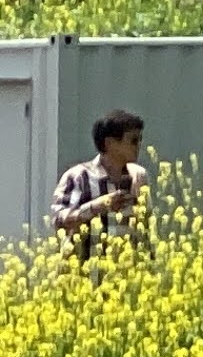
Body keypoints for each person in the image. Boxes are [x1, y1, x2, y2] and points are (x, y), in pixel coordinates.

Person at [48, 110, 149, 258]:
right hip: (85, 275)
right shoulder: (79, 177)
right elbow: (60, 221)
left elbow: (146, 231)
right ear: (110, 143)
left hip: (126, 276)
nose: (139, 145)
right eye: (133, 140)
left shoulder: (138, 178)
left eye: (140, 140)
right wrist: (98, 206)